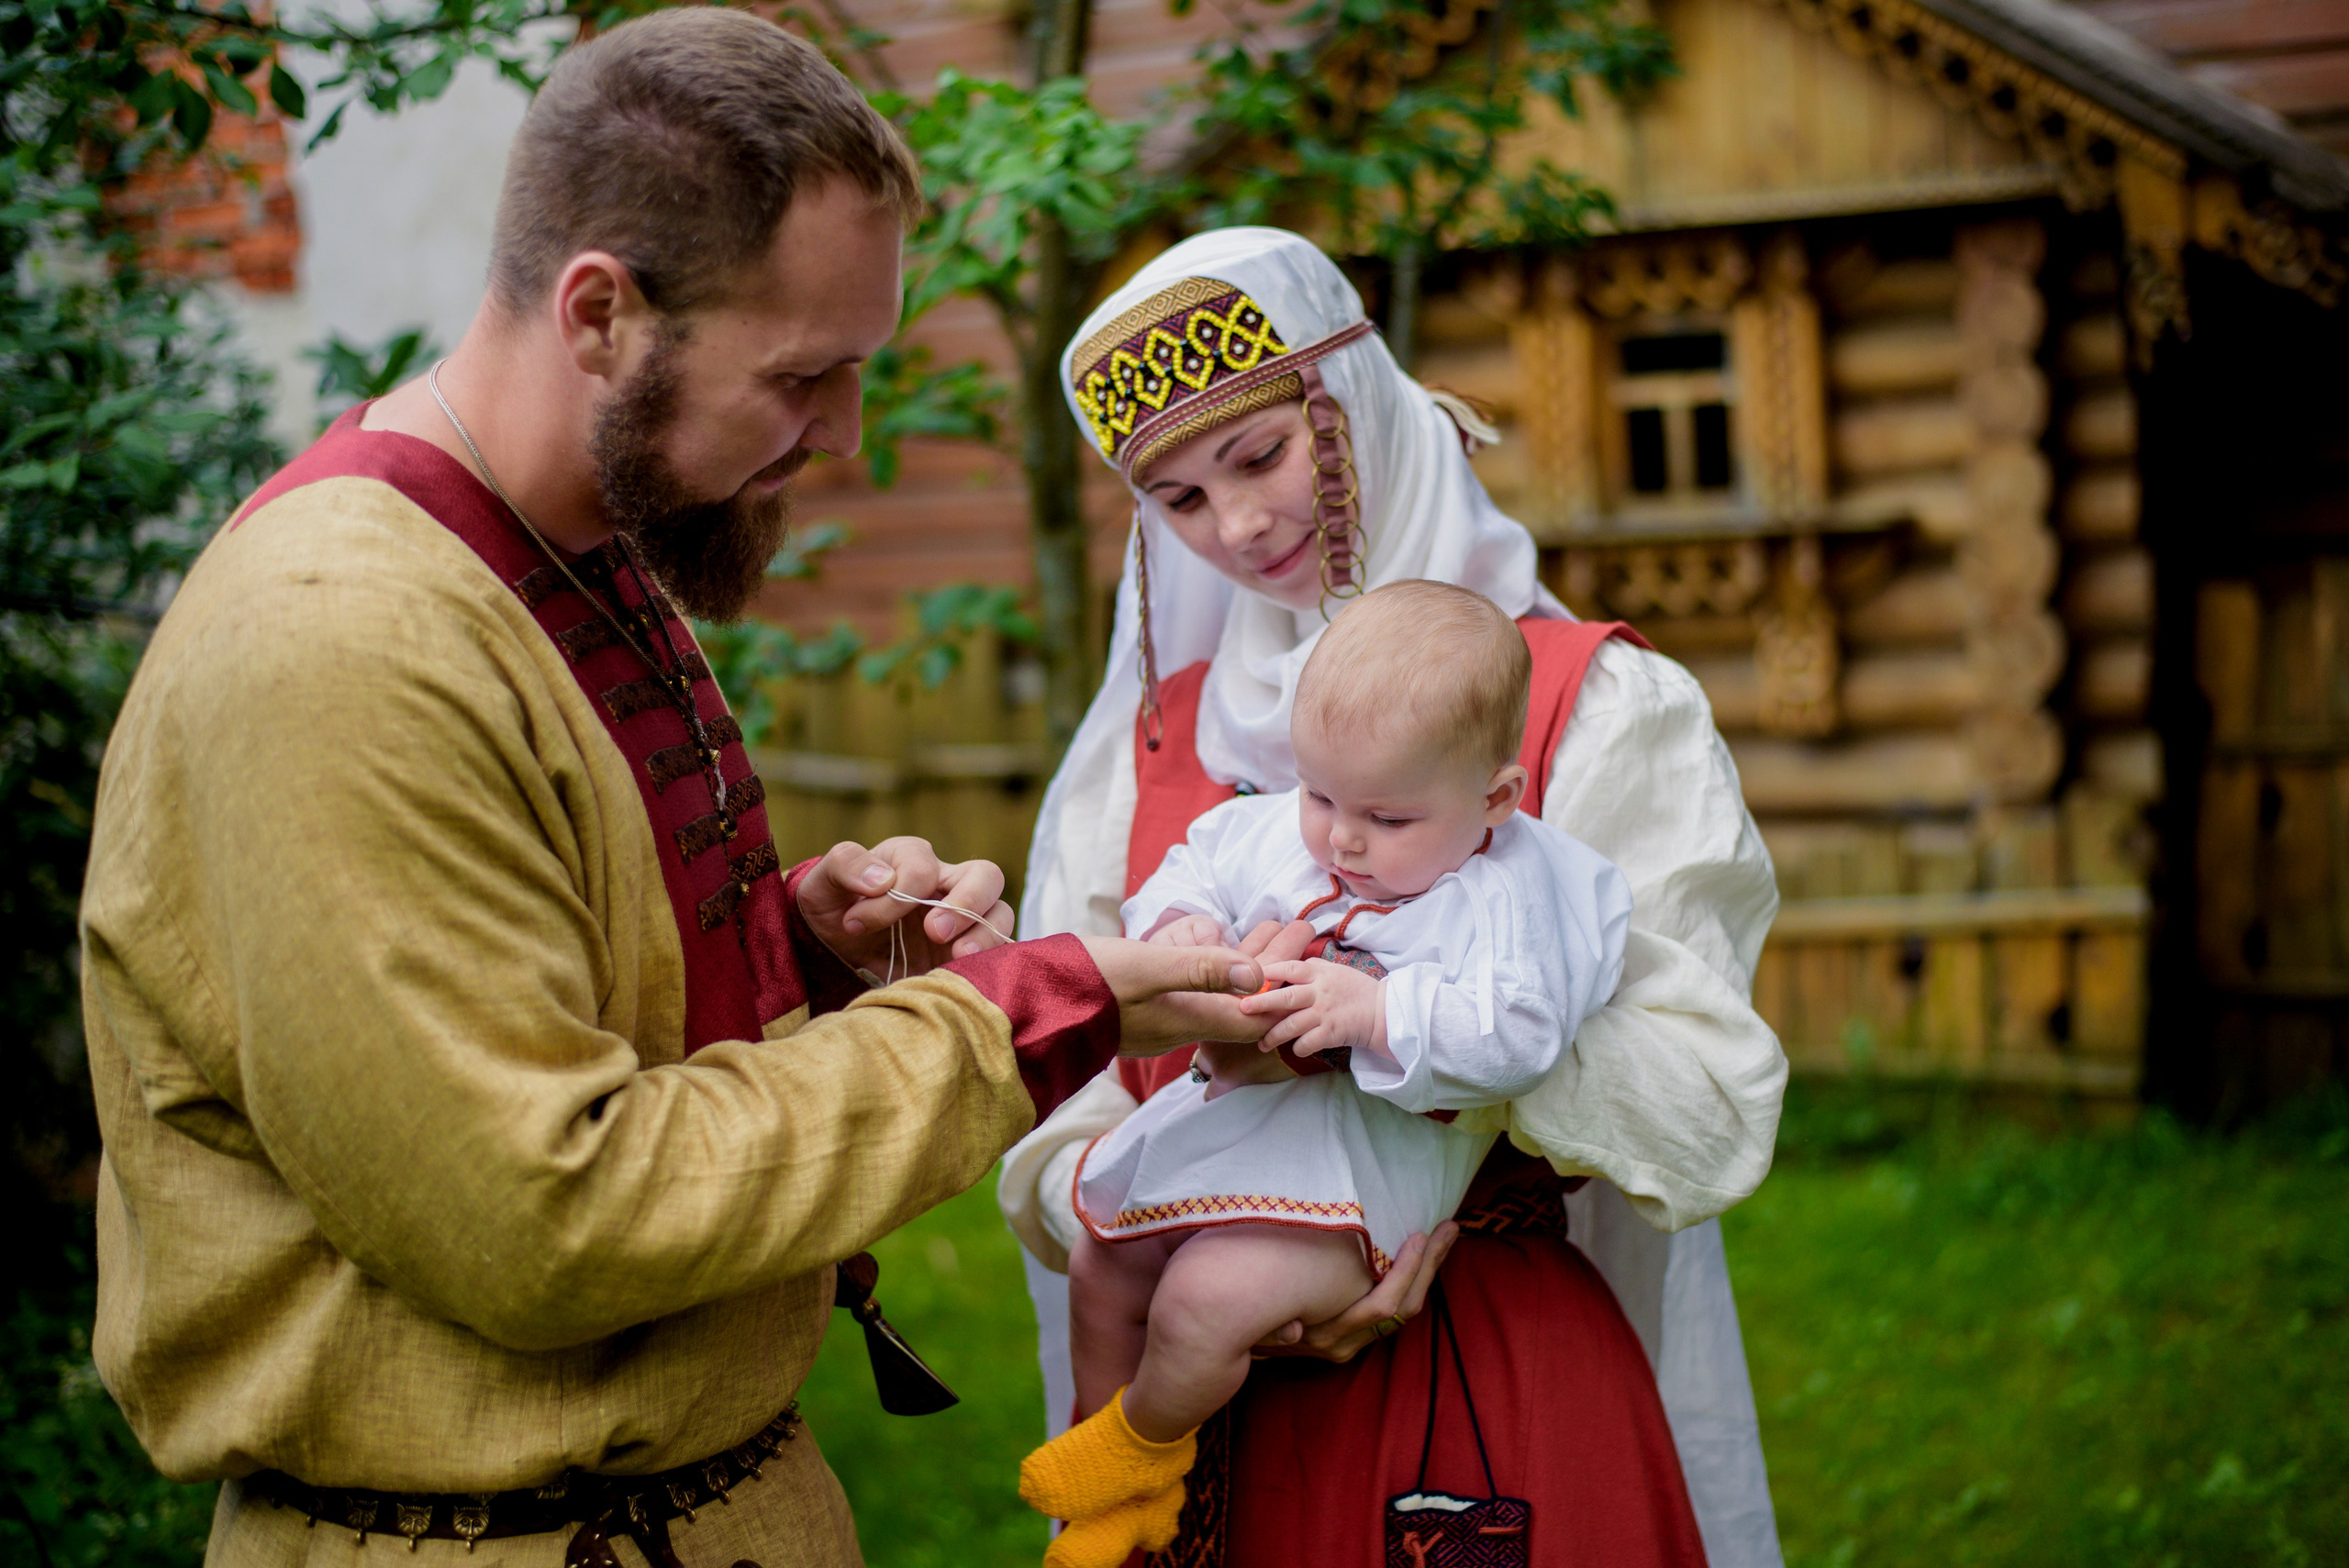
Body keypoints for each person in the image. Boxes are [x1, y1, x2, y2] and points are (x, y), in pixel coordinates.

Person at [80, 15, 1268, 1568]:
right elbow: (544, 1211)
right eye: (804, 374)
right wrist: (1026, 1011)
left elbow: (561, 992)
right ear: (599, 315)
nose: (842, 435)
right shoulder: (339, 641)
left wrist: (807, 960)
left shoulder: (570, 557)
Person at [997, 228, 1790, 1567]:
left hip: (1481, 1369)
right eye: (1179, 501)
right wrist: (1158, 1200)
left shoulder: (1589, 708)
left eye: (1258, 454)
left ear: (1352, 398)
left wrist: (1402, 1034)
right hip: (1194, 1392)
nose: (1238, 526)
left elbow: (1708, 1105)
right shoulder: (1152, 744)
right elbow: (1049, 1102)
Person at [1018, 582, 1632, 1568]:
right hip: (1237, 1127)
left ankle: (1140, 1446)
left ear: (1495, 798)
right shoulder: (1287, 830)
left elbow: (1525, 1030)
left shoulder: (1515, 889)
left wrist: (1377, 1011)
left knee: (1202, 1299)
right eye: (1318, 797)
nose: (1340, 839)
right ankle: (1113, 1475)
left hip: (1367, 1170)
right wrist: (1181, 924)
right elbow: (1195, 864)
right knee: (1103, 1261)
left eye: (1386, 816)